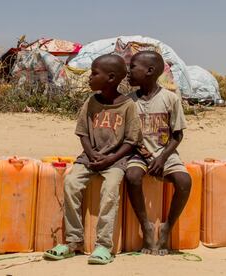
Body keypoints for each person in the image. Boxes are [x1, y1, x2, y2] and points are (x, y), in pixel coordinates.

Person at [44, 54, 141, 264]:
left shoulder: (128, 106)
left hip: (115, 160)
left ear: (111, 78)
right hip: (89, 157)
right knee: (71, 183)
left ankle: (104, 245)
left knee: (110, 189)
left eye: (94, 73)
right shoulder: (91, 102)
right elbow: (83, 133)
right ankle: (72, 241)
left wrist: (110, 158)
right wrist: (90, 154)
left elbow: (131, 141)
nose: (89, 77)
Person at [126, 51, 192, 256]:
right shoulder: (129, 102)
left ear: (150, 71)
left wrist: (162, 158)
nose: (128, 72)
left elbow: (177, 135)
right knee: (132, 176)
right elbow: (128, 138)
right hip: (138, 152)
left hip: (165, 153)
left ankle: (167, 227)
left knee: (184, 181)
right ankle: (145, 225)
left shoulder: (170, 99)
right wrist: (147, 156)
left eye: (132, 67)